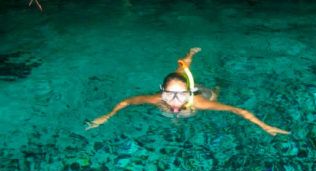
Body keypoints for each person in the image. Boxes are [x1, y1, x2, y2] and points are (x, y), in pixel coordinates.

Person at [85, 47, 289, 136]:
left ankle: (215, 82)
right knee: (180, 69)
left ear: (188, 93)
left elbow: (237, 110)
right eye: (169, 94)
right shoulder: (159, 98)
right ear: (162, 92)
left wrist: (264, 126)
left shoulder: (198, 102)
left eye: (180, 95)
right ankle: (188, 55)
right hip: (182, 84)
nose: (174, 101)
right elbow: (127, 102)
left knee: (215, 91)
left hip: (203, 92)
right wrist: (108, 116)